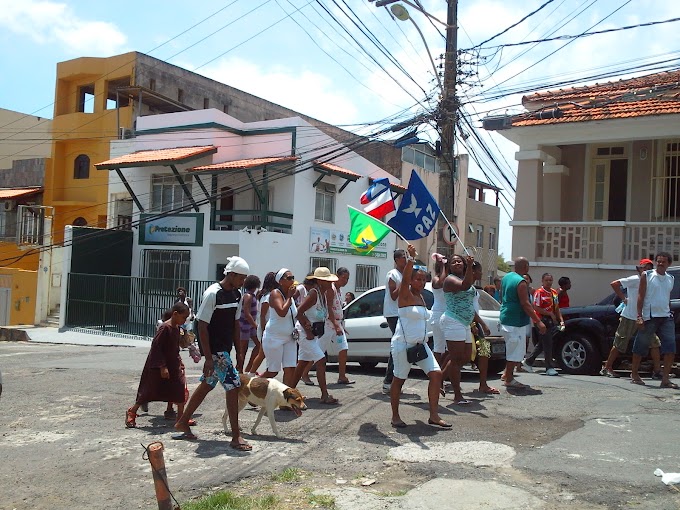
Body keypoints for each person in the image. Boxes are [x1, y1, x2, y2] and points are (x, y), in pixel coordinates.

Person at [174, 256, 251, 451]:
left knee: (207, 384)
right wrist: (208, 357)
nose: (243, 282)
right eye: (241, 278)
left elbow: (235, 323)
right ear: (231, 274)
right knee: (233, 387)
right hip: (215, 350)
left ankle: (182, 422)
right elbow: (202, 326)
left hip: (225, 348)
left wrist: (240, 351)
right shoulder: (212, 293)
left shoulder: (236, 294)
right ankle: (236, 436)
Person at [390, 244, 449, 429]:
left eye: (424, 280)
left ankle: (434, 415)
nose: (421, 283)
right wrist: (411, 260)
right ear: (411, 280)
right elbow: (405, 279)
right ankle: (395, 416)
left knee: (436, 374)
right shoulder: (405, 295)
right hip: (402, 344)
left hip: (421, 345)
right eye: (418, 279)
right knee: (399, 380)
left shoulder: (423, 297)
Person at [126, 302, 190, 429]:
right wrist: (162, 366)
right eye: (183, 317)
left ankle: (181, 419)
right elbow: (156, 347)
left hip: (173, 363)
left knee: (179, 388)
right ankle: (132, 411)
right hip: (159, 364)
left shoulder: (177, 328)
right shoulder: (165, 328)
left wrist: (180, 361)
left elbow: (175, 347)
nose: (184, 320)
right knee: (149, 390)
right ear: (175, 314)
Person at [601, 259, 660, 379]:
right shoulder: (635, 279)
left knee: (654, 343)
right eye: (645, 268)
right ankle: (607, 367)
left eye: (649, 268)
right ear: (640, 269)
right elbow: (614, 284)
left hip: (644, 317)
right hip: (629, 316)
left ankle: (657, 371)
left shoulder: (652, 281)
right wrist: (623, 298)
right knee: (619, 343)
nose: (647, 270)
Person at [293, 267, 339, 405]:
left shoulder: (322, 295)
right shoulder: (313, 294)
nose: (330, 283)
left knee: (302, 363)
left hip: (313, 334)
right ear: (319, 281)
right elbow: (299, 312)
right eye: (327, 281)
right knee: (321, 360)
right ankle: (324, 395)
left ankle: (288, 392)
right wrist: (308, 332)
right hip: (305, 334)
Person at [500, 258, 546, 389]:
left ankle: (506, 374)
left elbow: (503, 295)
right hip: (516, 320)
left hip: (506, 316)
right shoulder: (521, 282)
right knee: (515, 351)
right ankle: (509, 379)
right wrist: (538, 321)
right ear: (526, 267)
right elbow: (525, 303)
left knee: (512, 348)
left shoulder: (507, 277)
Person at [632, 252, 677, 388]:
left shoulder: (670, 278)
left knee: (670, 347)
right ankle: (634, 374)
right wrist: (639, 316)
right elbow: (640, 295)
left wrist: (669, 310)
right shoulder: (648, 275)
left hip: (666, 316)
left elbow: (667, 296)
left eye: (663, 262)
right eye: (658, 261)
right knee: (641, 345)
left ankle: (665, 379)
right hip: (650, 316)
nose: (660, 264)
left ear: (669, 264)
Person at [440, 254, 476, 405]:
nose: (457, 263)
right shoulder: (449, 280)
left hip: (465, 323)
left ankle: (438, 380)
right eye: (453, 262)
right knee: (456, 360)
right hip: (453, 320)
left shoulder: (466, 277)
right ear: (449, 267)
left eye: (459, 261)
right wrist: (469, 266)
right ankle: (457, 395)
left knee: (465, 357)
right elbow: (465, 286)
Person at [260, 268, 298, 389]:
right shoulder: (275, 294)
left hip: (289, 338)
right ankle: (252, 389)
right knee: (273, 371)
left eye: (293, 277)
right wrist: (289, 297)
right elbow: (282, 312)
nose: (292, 280)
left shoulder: (289, 295)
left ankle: (285, 400)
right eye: (289, 278)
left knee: (290, 368)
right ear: (280, 281)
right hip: (274, 338)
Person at [523, 273, 564, 376]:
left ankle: (529, 361)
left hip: (551, 321)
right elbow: (536, 307)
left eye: (550, 280)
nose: (549, 282)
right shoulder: (539, 292)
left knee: (544, 342)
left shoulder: (554, 293)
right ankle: (549, 367)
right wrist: (549, 313)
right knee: (547, 343)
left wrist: (561, 320)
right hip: (541, 320)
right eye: (546, 280)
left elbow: (557, 308)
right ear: (542, 281)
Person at [322, 267, 354, 385]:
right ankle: (304, 373)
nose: (345, 281)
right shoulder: (331, 289)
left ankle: (342, 376)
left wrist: (340, 325)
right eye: (343, 278)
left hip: (337, 324)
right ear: (337, 276)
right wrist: (335, 324)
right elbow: (329, 307)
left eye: (347, 279)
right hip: (329, 324)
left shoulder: (339, 290)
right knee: (318, 351)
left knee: (343, 348)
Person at [382, 249, 407, 394]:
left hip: (403, 313)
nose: (406, 260)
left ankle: (394, 380)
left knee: (400, 346)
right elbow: (393, 296)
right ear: (397, 259)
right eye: (404, 257)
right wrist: (404, 282)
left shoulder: (405, 274)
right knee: (397, 346)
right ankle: (388, 381)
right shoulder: (393, 274)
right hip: (393, 314)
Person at [471, 261, 498, 394]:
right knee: (457, 357)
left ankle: (483, 384)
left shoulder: (473, 288)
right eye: (480, 270)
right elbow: (469, 310)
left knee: (484, 352)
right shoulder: (466, 288)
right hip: (469, 324)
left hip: (474, 323)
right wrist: (481, 324)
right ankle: (439, 380)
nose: (481, 273)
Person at [246, 271, 276, 374]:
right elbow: (263, 315)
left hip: (267, 328)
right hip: (265, 328)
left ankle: (251, 372)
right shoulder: (268, 297)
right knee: (262, 353)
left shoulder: (267, 295)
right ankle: (251, 372)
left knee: (262, 353)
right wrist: (263, 330)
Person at [237, 275, 261, 373]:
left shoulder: (252, 295)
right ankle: (239, 370)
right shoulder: (248, 296)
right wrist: (255, 325)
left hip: (250, 326)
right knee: (243, 350)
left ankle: (249, 368)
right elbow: (247, 313)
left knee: (259, 345)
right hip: (244, 325)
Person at [430, 253, 448, 368]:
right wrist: (443, 266)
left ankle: (442, 374)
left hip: (447, 315)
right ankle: (436, 376)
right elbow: (441, 283)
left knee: (448, 349)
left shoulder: (449, 279)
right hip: (437, 315)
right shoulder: (436, 279)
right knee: (439, 348)